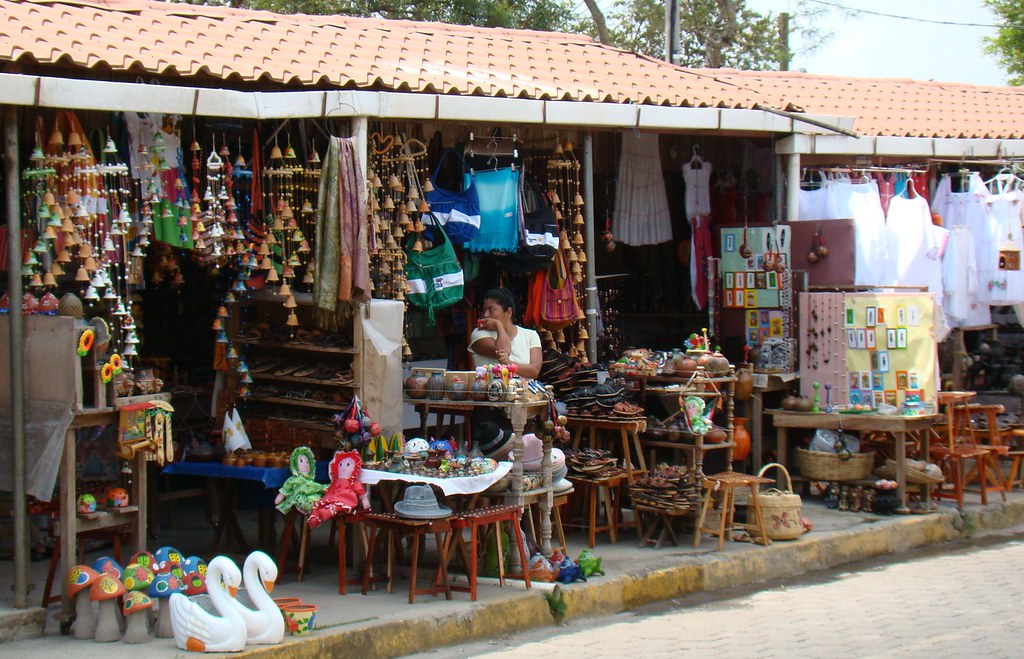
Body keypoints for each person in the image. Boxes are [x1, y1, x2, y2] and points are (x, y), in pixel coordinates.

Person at [467, 287, 542, 379]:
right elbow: (504, 350)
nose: (486, 315)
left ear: (509, 312)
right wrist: (498, 325)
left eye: (491, 310)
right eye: (484, 310)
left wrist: (509, 363)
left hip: (524, 388)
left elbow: (534, 371)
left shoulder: (530, 335)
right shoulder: (479, 333)